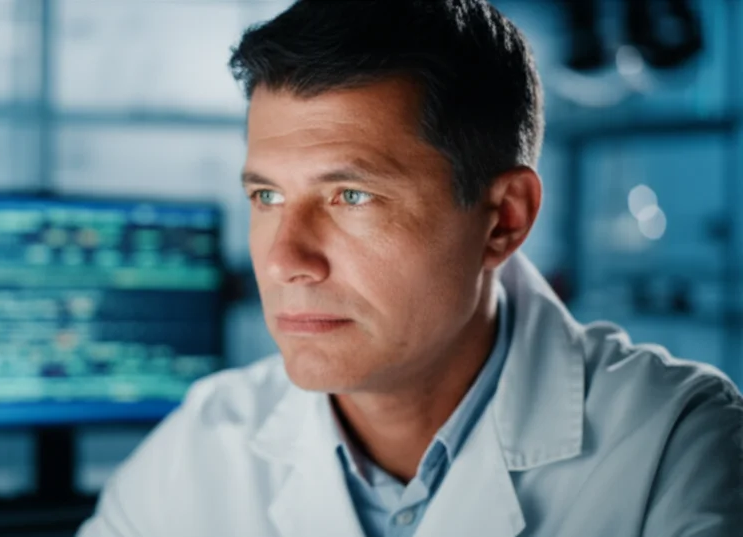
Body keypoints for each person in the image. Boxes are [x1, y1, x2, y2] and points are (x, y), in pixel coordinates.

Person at [76, 1, 743, 536]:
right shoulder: (203, 441)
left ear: (504, 218)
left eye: (352, 197)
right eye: (267, 196)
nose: (283, 261)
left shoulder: (674, 447)